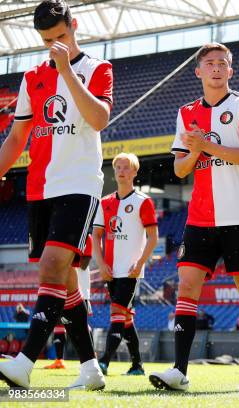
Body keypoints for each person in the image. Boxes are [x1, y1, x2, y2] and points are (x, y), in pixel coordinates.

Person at [0, 0, 112, 390]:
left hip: (79, 184)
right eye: (48, 40)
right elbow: (17, 138)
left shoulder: (97, 68)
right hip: (39, 188)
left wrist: (67, 70)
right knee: (62, 282)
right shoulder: (32, 78)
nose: (55, 45)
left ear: (74, 25)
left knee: (51, 267)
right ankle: (91, 369)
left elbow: (99, 119)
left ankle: (24, 363)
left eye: (61, 36)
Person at [149, 42, 239, 392]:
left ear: (230, 71)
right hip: (199, 217)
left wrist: (207, 146)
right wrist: (194, 150)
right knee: (187, 288)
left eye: (222, 63)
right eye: (209, 63)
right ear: (198, 72)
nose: (216, 68)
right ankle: (179, 370)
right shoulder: (186, 112)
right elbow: (180, 166)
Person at [92, 152, 158, 377]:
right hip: (110, 270)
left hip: (130, 271)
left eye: (126, 167)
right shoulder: (105, 202)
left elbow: (153, 237)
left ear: (134, 172)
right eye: (118, 166)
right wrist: (100, 264)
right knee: (126, 318)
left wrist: (140, 263)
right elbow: (96, 236)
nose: (121, 170)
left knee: (117, 313)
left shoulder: (143, 201)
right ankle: (137, 365)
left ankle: (103, 362)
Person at [45, 234, 95, 370]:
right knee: (59, 321)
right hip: (66, 284)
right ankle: (59, 359)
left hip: (81, 286)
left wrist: (66, 256)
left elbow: (84, 264)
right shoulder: (67, 234)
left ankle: (92, 357)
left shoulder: (86, 237)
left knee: (82, 323)